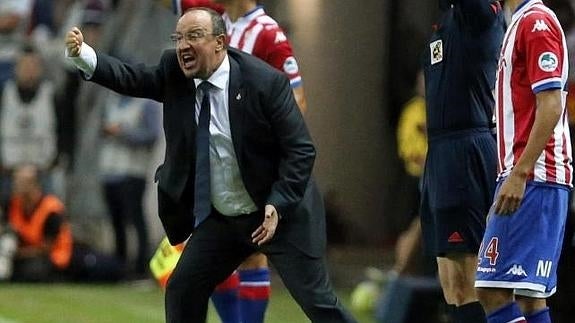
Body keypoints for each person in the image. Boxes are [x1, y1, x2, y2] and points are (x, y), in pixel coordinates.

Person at [65, 7, 357, 323]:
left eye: (194, 36)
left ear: (220, 42)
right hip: (228, 219)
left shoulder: (264, 82)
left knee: (318, 303)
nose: (183, 46)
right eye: (178, 38)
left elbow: (301, 150)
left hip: (278, 214)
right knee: (182, 287)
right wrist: (86, 56)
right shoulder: (174, 72)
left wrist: (279, 203)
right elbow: (133, 78)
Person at [160, 1, 310, 321]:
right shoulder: (216, 19)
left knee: (252, 257)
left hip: (250, 171)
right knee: (209, 258)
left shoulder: (268, 34)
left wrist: (261, 152)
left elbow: (296, 99)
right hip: (214, 167)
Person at [474, 1, 572, 322]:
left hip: (536, 176)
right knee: (531, 298)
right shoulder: (516, 23)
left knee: (491, 289)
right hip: (532, 176)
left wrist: (520, 173)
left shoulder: (536, 21)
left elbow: (551, 103)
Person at [420, 1, 505, 322]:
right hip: (439, 154)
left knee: (471, 283)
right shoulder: (445, 20)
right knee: (451, 285)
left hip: (465, 152)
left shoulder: (479, 14)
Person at [1, 164, 124, 282]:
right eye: (16, 180)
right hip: (24, 253)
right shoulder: (12, 205)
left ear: (34, 184)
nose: (16, 185)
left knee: (32, 270)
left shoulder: (51, 208)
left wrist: (16, 253)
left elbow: (47, 248)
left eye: (21, 182)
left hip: (54, 257)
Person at [99, 92, 160, 277]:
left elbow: (151, 135)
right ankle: (119, 266)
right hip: (109, 171)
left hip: (133, 171)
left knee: (135, 220)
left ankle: (141, 267)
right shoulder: (110, 100)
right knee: (116, 221)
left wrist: (124, 133)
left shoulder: (145, 103)